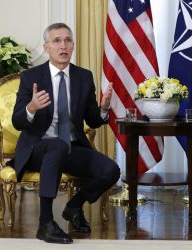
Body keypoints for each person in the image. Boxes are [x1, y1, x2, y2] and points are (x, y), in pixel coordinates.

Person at [11, 23, 120, 244]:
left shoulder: (83, 77)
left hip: (71, 147)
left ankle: (74, 206)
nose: (63, 45)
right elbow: (17, 121)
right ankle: (46, 222)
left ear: (73, 45)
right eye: (57, 41)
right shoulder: (31, 77)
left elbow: (92, 120)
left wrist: (104, 108)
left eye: (68, 40)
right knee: (57, 145)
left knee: (111, 170)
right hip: (38, 149)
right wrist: (31, 107)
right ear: (46, 47)